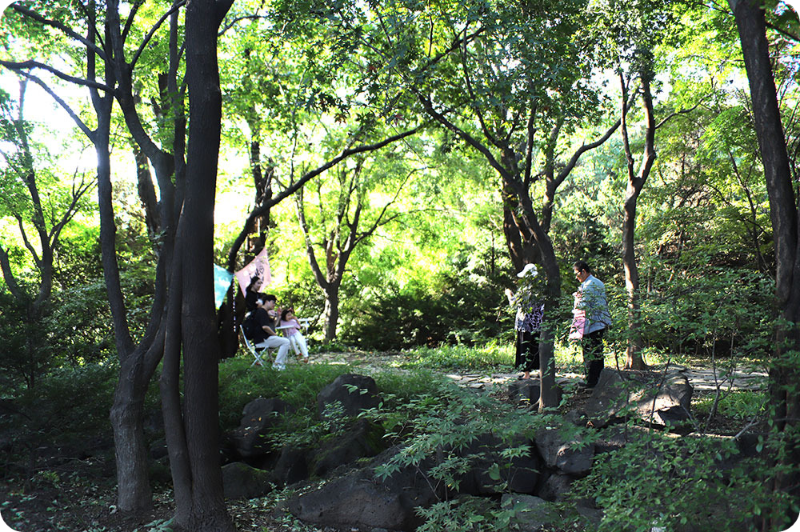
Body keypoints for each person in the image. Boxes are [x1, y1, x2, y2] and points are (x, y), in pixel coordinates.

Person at [572, 260, 612, 388]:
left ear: (583, 271)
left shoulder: (589, 285)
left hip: (592, 323)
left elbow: (583, 305)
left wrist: (576, 299)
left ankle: (591, 381)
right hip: (598, 322)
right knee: (597, 352)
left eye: (577, 274)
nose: (576, 278)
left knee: (591, 352)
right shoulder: (597, 282)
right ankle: (597, 379)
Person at [505, 263, 544, 380]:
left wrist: (509, 294)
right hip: (538, 324)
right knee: (536, 347)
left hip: (525, 323)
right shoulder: (541, 289)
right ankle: (541, 371)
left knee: (525, 347)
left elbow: (513, 303)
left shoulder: (524, 290)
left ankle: (526, 373)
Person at [252, 294, 291, 370]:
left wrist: (278, 317)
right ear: (267, 302)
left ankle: (277, 364)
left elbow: (273, 326)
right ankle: (277, 365)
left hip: (265, 339)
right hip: (262, 340)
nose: (274, 305)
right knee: (286, 341)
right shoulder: (261, 312)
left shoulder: (264, 312)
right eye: (273, 302)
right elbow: (265, 327)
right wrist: (274, 334)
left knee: (285, 341)